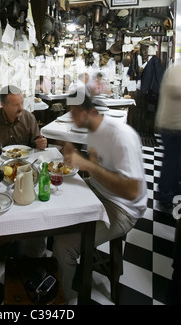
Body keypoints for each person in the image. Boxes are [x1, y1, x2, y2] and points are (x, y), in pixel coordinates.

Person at [52, 92, 148, 304]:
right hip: (98, 191)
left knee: (63, 246)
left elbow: (131, 191)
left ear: (93, 112)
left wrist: (85, 164)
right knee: (53, 198)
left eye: (76, 114)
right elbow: (97, 167)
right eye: (71, 114)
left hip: (123, 207)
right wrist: (75, 155)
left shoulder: (121, 136)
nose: (73, 120)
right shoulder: (93, 131)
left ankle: (64, 300)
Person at [155, 61, 181, 211]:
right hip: (173, 127)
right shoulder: (177, 70)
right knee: (171, 163)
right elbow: (175, 90)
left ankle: (173, 192)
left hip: (175, 126)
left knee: (174, 164)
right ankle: (165, 197)